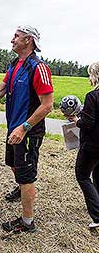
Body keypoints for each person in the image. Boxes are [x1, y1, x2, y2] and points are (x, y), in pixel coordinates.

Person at [0, 25, 53, 233]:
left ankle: (27, 222)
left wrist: (24, 127)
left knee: (26, 174)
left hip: (28, 131)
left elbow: (47, 105)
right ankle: (21, 189)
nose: (12, 40)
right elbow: (0, 90)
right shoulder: (14, 64)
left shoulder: (39, 68)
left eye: (16, 36)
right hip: (13, 128)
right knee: (13, 164)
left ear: (28, 40)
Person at [66, 62, 99, 228]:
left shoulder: (92, 96)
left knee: (83, 176)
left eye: (90, 74)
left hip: (92, 146)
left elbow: (88, 123)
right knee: (98, 176)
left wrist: (77, 121)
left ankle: (97, 216)